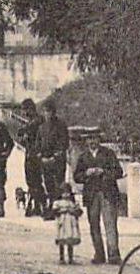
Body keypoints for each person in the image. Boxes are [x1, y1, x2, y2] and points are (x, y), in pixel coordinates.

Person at [75, 127, 125, 265]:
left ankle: (114, 254)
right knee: (94, 225)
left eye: (95, 138)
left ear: (99, 139)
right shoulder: (83, 157)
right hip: (91, 195)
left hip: (107, 193)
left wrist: (104, 172)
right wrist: (86, 173)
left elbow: (119, 172)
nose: (92, 141)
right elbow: (76, 177)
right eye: (89, 139)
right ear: (86, 141)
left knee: (110, 224)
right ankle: (99, 254)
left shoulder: (108, 154)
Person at [35, 101, 70, 220]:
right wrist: (41, 156)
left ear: (53, 112)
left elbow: (64, 143)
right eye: (45, 111)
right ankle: (51, 206)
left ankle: (58, 208)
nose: (47, 114)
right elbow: (38, 144)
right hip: (45, 161)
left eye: (49, 111)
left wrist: (54, 157)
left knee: (58, 184)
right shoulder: (41, 127)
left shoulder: (61, 126)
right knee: (48, 184)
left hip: (57, 161)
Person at [15, 99, 46, 217]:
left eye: (24, 110)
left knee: (34, 181)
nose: (24, 113)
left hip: (34, 155)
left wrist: (24, 133)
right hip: (31, 154)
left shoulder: (36, 121)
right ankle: (37, 206)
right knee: (33, 182)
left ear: (30, 109)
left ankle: (41, 205)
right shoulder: (34, 121)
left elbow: (24, 132)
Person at [54, 190, 82, 265]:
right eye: (63, 192)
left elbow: (79, 212)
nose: (66, 194)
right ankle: (61, 258)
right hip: (62, 223)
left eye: (67, 192)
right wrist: (63, 210)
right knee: (62, 240)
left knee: (70, 241)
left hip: (71, 224)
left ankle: (70, 258)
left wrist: (74, 211)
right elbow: (54, 212)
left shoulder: (72, 203)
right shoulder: (58, 203)